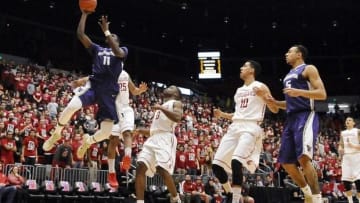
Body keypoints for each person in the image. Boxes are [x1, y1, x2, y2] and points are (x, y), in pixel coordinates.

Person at [42, 10, 127, 159]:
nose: (110, 36)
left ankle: (88, 141)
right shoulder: (98, 50)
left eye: (114, 36)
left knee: (106, 132)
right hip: (93, 87)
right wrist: (84, 14)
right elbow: (81, 35)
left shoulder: (123, 51)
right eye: (109, 36)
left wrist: (107, 31)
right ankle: (56, 133)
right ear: (106, 40)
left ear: (117, 41)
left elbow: (118, 52)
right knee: (72, 106)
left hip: (109, 93)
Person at [211, 60, 278, 203]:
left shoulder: (260, 86)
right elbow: (238, 114)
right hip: (235, 127)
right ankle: (231, 194)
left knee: (236, 161)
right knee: (216, 166)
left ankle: (235, 200)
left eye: (245, 66)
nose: (241, 68)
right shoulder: (239, 90)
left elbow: (275, 109)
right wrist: (222, 114)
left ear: (252, 71)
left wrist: (264, 97)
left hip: (251, 128)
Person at [267, 45, 327, 203]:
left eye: (290, 52)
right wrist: (274, 102)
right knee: (286, 162)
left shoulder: (308, 69)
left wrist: (299, 92)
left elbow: (322, 94)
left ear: (299, 54)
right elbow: (289, 103)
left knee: (303, 158)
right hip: (290, 118)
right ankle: (307, 193)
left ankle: (317, 198)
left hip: (305, 115)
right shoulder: (288, 75)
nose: (286, 54)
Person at [134, 85, 183, 203]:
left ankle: (176, 199)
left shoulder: (176, 103)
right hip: (153, 138)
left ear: (175, 94)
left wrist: (161, 108)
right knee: (140, 167)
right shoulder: (161, 106)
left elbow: (178, 117)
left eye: (172, 87)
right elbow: (154, 130)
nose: (168, 88)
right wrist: (139, 130)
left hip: (166, 138)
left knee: (161, 169)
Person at [107, 70, 148, 187]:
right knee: (113, 140)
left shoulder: (125, 74)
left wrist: (140, 90)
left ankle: (127, 157)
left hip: (125, 108)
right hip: (112, 109)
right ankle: (111, 173)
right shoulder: (106, 72)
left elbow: (134, 90)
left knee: (127, 133)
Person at [338, 117, 360, 203]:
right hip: (346, 157)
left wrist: (353, 146)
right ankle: (350, 201)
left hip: (357, 156)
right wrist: (340, 149)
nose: (347, 121)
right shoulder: (343, 133)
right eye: (346, 120)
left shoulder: (357, 131)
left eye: (350, 120)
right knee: (346, 181)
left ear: (354, 123)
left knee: (358, 182)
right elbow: (341, 145)